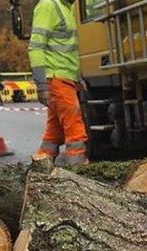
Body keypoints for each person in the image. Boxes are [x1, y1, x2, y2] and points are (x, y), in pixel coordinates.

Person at [29, 0, 88, 165]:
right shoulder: (48, 6)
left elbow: (70, 51)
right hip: (55, 77)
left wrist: (78, 77)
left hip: (65, 77)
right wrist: (41, 84)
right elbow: (35, 48)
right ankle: (77, 163)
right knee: (74, 123)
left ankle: (43, 160)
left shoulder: (67, 8)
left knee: (54, 129)